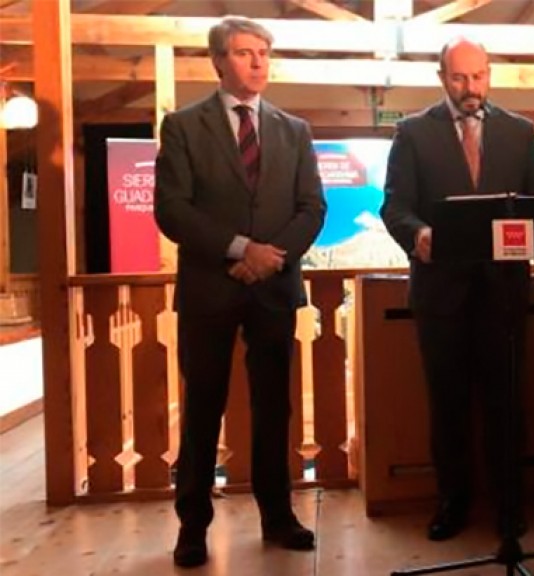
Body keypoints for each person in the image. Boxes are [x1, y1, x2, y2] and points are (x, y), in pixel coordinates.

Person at [154, 16, 326, 567]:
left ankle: (278, 517)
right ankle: (193, 527)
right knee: (203, 407)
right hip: (210, 288)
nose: (257, 62)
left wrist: (269, 257)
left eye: (264, 53)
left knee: (275, 407)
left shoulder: (294, 130)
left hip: (274, 286)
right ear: (218, 61)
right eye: (245, 52)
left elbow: (312, 208)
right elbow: (172, 209)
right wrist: (238, 249)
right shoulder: (183, 126)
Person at [380, 37, 534, 541]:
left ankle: (509, 504)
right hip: (441, 295)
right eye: (459, 77)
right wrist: (417, 234)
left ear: (489, 75)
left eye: (478, 76)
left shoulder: (520, 132)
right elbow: (395, 206)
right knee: (447, 403)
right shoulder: (412, 132)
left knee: (507, 403)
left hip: (504, 294)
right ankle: (452, 501)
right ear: (442, 78)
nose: (470, 87)